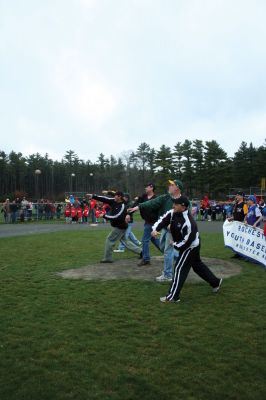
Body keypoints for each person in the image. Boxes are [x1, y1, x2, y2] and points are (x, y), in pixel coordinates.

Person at [151, 196, 222, 303]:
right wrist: (155, 229)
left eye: (176, 204)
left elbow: (187, 242)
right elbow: (162, 220)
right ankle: (215, 282)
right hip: (188, 244)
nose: (173, 205)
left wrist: (174, 244)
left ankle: (173, 296)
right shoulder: (172, 213)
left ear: (183, 207)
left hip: (190, 247)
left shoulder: (189, 222)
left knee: (179, 268)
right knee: (197, 266)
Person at [129, 179, 184, 282]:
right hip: (164, 228)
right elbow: (151, 203)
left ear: (177, 188)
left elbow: (186, 217)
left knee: (167, 251)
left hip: (174, 230)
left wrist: (175, 226)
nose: (169, 186)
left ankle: (167, 275)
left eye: (171, 185)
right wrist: (138, 207)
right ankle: (181, 257)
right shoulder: (165, 198)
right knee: (163, 247)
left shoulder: (183, 201)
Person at [89, 191, 142, 263]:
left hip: (120, 227)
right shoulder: (114, 201)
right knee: (126, 242)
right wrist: (93, 196)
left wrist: (104, 216)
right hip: (119, 226)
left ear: (119, 197)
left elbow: (117, 217)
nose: (114, 197)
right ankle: (142, 252)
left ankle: (107, 258)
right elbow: (104, 199)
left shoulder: (122, 206)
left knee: (110, 239)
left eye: (116, 196)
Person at [131, 183, 161, 265]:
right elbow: (136, 203)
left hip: (153, 222)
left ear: (151, 188)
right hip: (147, 221)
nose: (145, 188)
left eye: (147, 187)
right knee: (154, 240)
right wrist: (130, 211)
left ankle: (146, 259)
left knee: (145, 240)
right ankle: (173, 255)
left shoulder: (156, 198)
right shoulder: (143, 197)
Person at [228, 192, 248, 258]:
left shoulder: (244, 204)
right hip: (235, 224)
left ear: (242, 196)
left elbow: (246, 214)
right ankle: (237, 253)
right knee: (236, 239)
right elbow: (236, 215)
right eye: (236, 195)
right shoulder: (236, 204)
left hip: (241, 224)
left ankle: (241, 254)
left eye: (238, 195)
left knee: (240, 240)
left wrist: (245, 220)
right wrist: (231, 218)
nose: (236, 196)